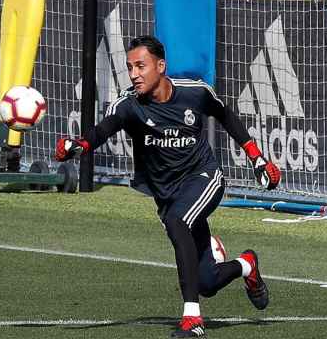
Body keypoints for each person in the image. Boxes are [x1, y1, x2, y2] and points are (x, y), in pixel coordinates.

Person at [54, 35, 281, 338]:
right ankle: (246, 265)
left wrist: (257, 159)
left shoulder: (195, 93)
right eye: (130, 67)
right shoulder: (129, 105)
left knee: (178, 222)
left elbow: (225, 115)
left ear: (161, 66)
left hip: (204, 177)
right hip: (168, 194)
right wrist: (79, 145)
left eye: (141, 66)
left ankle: (192, 318)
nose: (134, 74)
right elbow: (102, 130)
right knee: (207, 282)